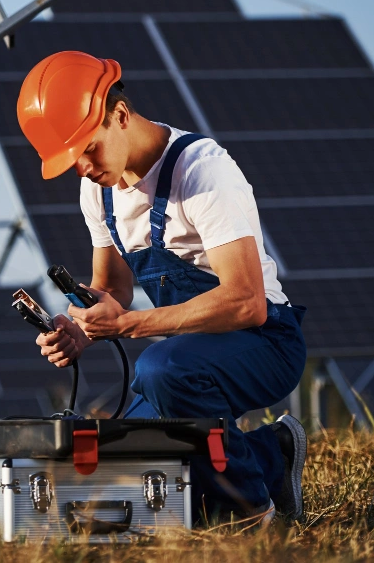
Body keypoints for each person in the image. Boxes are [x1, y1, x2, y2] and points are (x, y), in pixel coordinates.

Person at [19, 50, 308, 524]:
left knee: (160, 371)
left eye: (88, 148)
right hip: (189, 353)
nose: (83, 167)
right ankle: (272, 453)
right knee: (124, 449)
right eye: (72, 160)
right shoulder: (98, 191)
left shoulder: (202, 172)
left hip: (265, 342)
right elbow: (111, 286)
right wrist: (80, 328)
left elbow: (247, 302)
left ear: (121, 115)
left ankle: (251, 515)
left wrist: (131, 325)